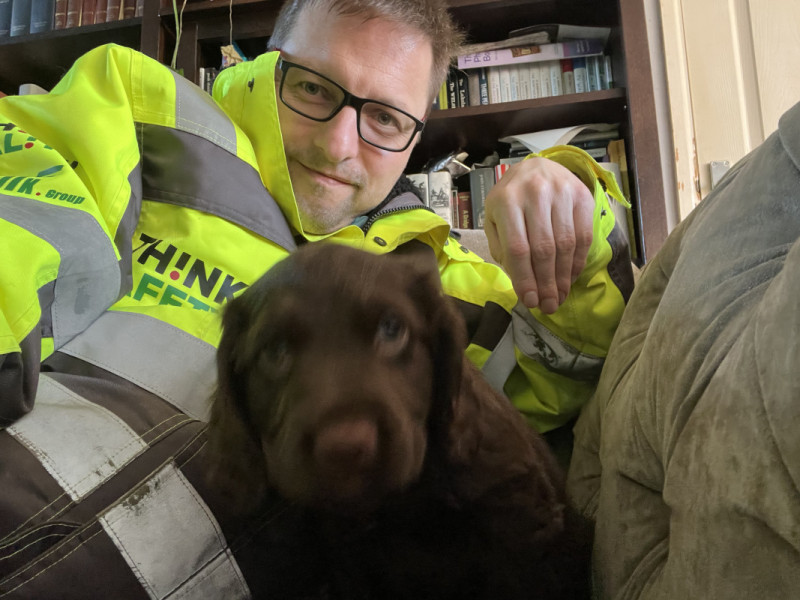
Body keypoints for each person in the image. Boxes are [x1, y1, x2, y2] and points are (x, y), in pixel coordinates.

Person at [0, 0, 632, 596]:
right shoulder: (145, 113)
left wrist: (570, 203)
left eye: (385, 118)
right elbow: (21, 220)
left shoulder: (437, 280)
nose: (338, 145)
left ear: (415, 141)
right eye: (311, 88)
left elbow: (575, 358)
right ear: (264, 67)